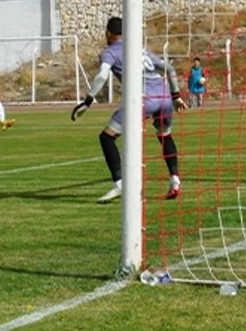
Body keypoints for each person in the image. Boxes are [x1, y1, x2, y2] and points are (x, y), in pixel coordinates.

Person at [72, 17, 186, 203]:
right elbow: (169, 68)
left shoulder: (110, 51)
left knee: (107, 136)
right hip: (164, 96)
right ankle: (175, 179)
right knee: (165, 136)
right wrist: (176, 96)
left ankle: (119, 183)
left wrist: (88, 101)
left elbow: (102, 75)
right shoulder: (139, 49)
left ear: (108, 33)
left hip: (142, 99)